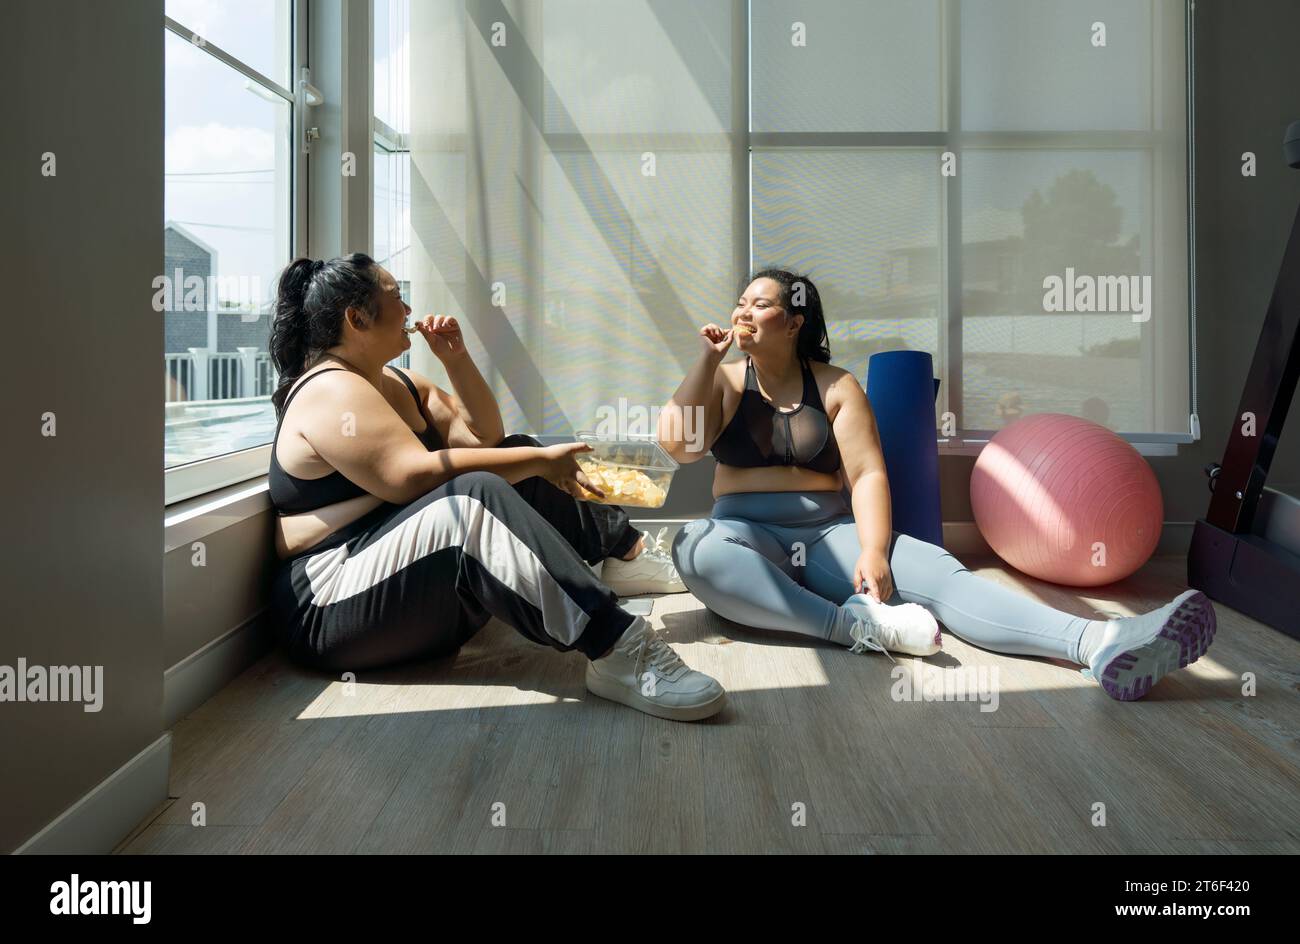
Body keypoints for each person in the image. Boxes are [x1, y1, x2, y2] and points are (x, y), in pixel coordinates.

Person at [661, 269, 1216, 701]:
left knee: (945, 577)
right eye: (740, 303)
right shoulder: (728, 380)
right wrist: (706, 361)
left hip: (828, 529)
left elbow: (868, 474)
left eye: (760, 303)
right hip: (744, 530)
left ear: (795, 321)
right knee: (695, 547)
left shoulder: (835, 386)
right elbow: (676, 444)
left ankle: (1098, 644)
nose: (743, 311)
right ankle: (852, 628)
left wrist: (876, 551)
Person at [265, 254, 723, 722]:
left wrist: (457, 360)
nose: (408, 310)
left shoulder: (397, 381)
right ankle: (618, 650)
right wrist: (541, 461)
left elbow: (483, 438)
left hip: (399, 589)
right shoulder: (330, 390)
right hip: (330, 606)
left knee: (515, 456)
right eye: (396, 299)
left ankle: (622, 556)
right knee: (478, 494)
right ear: (356, 318)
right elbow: (410, 477)